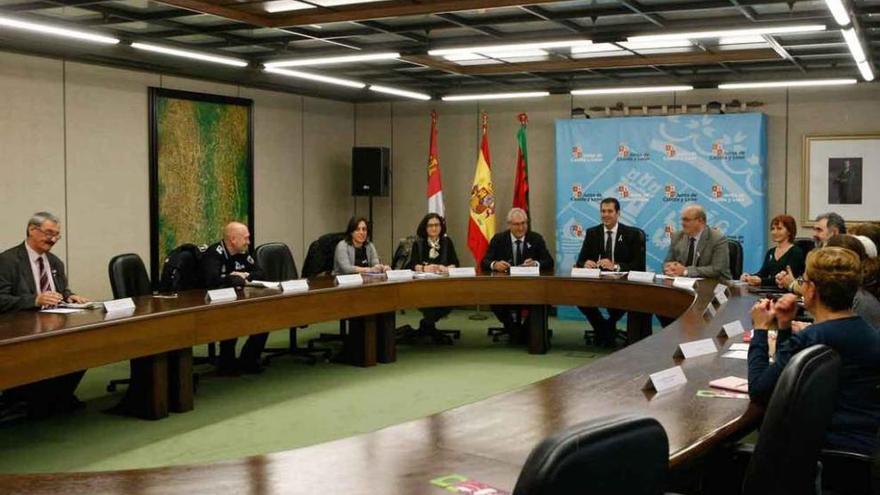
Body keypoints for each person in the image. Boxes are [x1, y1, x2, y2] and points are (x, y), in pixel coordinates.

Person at [748, 247, 880, 455]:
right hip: (861, 449)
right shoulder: (870, 333)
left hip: (822, 455)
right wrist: (784, 326)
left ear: (811, 290)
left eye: (803, 281)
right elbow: (786, 373)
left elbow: (759, 390)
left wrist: (760, 329)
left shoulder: (812, 338)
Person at [0, 212, 89, 417]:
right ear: (32, 230)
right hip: (20, 328)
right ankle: (29, 399)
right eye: (49, 233)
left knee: (84, 345)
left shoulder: (55, 262)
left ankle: (56, 397)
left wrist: (71, 296)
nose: (53, 239)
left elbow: (60, 290)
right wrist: (34, 300)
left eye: (57, 235)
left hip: (54, 323)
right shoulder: (8, 260)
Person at [574, 197, 644, 347]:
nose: (605, 215)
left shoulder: (630, 234)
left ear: (618, 213)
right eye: (603, 211)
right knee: (580, 298)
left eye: (610, 211)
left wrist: (615, 266)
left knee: (623, 300)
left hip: (622, 284)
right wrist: (585, 263)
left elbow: (638, 265)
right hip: (596, 283)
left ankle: (604, 331)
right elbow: (580, 260)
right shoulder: (593, 233)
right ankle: (605, 329)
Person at [201, 221, 266, 375]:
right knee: (232, 318)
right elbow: (212, 281)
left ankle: (249, 359)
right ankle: (226, 363)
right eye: (246, 238)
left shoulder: (243, 252)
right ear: (233, 239)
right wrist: (233, 279)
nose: (249, 242)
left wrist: (244, 275)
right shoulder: (213, 254)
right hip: (212, 303)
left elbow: (260, 273)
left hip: (239, 299)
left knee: (265, 315)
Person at [481, 208, 554, 339]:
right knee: (494, 301)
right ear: (509, 225)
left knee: (545, 301)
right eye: (516, 224)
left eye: (524, 223)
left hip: (530, 289)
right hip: (504, 289)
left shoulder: (536, 239)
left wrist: (536, 263)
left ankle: (523, 331)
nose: (521, 228)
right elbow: (484, 262)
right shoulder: (499, 239)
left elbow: (549, 261)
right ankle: (515, 332)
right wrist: (495, 264)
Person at [406, 213, 459, 336]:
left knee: (452, 299)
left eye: (437, 225)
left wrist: (445, 268)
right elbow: (411, 265)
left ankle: (426, 325)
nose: (434, 228)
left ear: (441, 227)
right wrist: (425, 268)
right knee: (427, 300)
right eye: (430, 225)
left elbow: (455, 264)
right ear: (425, 228)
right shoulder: (418, 244)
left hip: (444, 286)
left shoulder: (447, 242)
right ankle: (427, 325)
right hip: (423, 287)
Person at [776, 212, 846, 293]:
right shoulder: (815, 253)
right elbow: (805, 281)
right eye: (814, 230)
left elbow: (816, 291)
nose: (814, 235)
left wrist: (792, 284)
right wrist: (787, 279)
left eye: (819, 230)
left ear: (834, 232)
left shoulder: (840, 258)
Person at [663, 204, 731, 279]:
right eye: (682, 219)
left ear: (700, 221)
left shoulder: (717, 239)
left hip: (715, 284)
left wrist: (686, 271)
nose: (682, 223)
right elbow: (667, 262)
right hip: (683, 283)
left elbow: (717, 269)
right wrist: (669, 268)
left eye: (686, 220)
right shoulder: (677, 236)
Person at [740, 214, 805, 287]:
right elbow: (762, 274)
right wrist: (749, 277)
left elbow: (787, 279)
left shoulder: (796, 252)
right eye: (773, 229)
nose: (774, 232)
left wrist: (762, 281)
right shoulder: (771, 252)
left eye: (779, 229)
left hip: (787, 293)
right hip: (769, 292)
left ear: (789, 231)